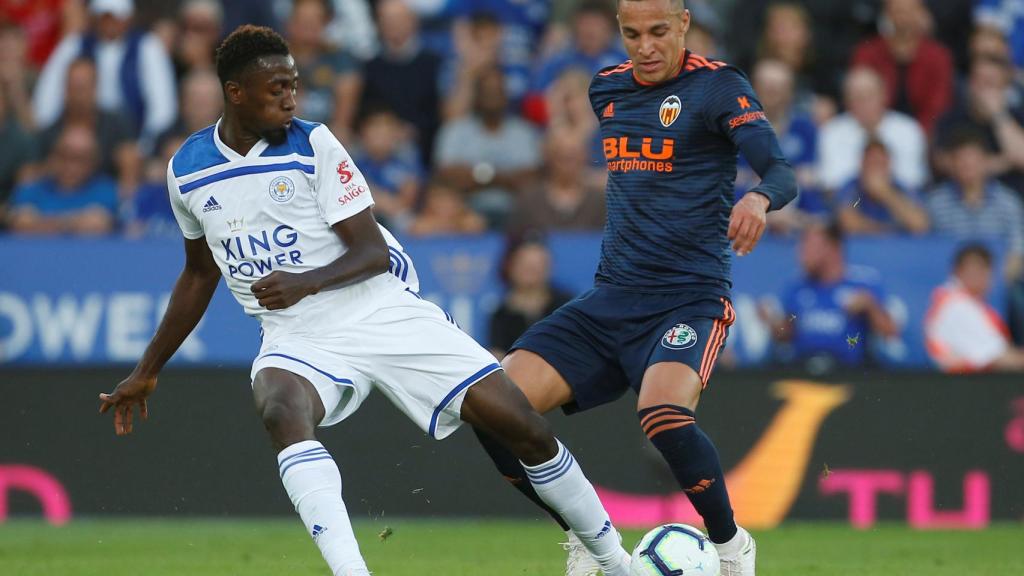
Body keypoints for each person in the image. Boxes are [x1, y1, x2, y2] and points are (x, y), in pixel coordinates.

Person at [96, 26, 632, 576]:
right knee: (280, 406)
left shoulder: (314, 144)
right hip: (296, 332)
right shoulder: (186, 170)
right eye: (276, 87)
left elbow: (372, 252)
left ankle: (616, 562)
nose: (290, 97)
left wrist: (305, 280)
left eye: (294, 85)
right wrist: (147, 369)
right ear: (236, 93)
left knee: (520, 424)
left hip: (378, 307)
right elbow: (197, 274)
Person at [470, 1, 798, 575]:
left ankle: (729, 546)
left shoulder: (719, 87)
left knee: (664, 414)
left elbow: (781, 171)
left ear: (684, 25)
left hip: (689, 296)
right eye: (631, 34)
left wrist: (757, 197)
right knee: (490, 409)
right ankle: (589, 539)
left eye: (658, 32)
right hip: (611, 296)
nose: (644, 46)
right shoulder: (607, 90)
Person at [761, 221, 898, 370]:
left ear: (832, 248)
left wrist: (871, 307)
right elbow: (785, 335)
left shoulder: (863, 282)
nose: (800, 253)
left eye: (808, 245)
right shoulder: (798, 287)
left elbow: (890, 332)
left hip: (850, 371)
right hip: (803, 369)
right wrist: (772, 322)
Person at [925, 243, 1024, 372]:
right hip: (961, 387)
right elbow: (999, 359)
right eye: (970, 269)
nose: (976, 275)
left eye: (982, 269)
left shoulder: (968, 303)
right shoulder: (957, 306)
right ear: (957, 271)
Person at [7, 124, 117, 235]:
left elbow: (97, 224)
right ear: (53, 156)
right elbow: (21, 223)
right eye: (64, 156)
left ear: (93, 162)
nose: (70, 166)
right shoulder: (30, 188)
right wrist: (72, 223)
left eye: (79, 159)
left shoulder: (106, 189)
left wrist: (42, 222)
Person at [835, 138, 929, 236]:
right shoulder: (853, 188)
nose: (876, 169)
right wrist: (886, 231)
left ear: (889, 165)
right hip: (862, 247)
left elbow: (920, 225)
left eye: (880, 163)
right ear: (862, 164)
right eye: (872, 163)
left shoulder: (902, 189)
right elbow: (848, 222)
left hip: (899, 248)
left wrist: (886, 193)